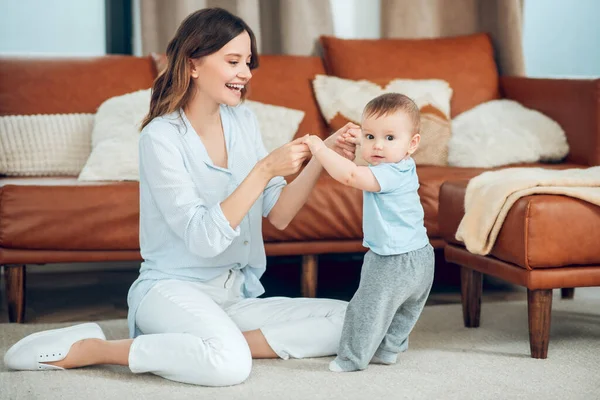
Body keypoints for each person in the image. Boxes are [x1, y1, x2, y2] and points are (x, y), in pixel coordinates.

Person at [3, 8, 359, 387]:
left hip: (233, 295)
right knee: (229, 366)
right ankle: (96, 349)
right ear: (193, 65)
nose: (246, 73)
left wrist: (324, 158)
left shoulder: (244, 121)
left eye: (249, 63)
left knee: (354, 320)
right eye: (233, 61)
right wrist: (265, 169)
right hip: (170, 291)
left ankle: (205, 343)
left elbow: (281, 214)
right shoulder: (160, 138)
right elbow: (203, 238)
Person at [302, 93, 435, 372]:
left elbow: (350, 175)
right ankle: (388, 350)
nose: (378, 146)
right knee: (403, 310)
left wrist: (320, 148)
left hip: (391, 260)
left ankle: (351, 358)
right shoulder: (401, 167)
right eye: (370, 137)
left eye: (389, 138)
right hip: (423, 256)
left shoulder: (386, 174)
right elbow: (360, 166)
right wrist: (355, 142)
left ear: (412, 144)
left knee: (366, 309)